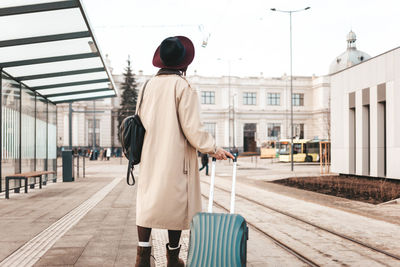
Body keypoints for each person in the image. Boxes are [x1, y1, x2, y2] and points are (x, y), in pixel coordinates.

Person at [134, 36, 234, 267]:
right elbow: (192, 128)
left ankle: (142, 258)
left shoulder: (147, 85)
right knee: (176, 204)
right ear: (184, 63)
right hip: (175, 155)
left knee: (148, 202)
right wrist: (214, 149)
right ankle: (172, 257)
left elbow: (139, 119)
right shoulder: (183, 86)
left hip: (150, 154)